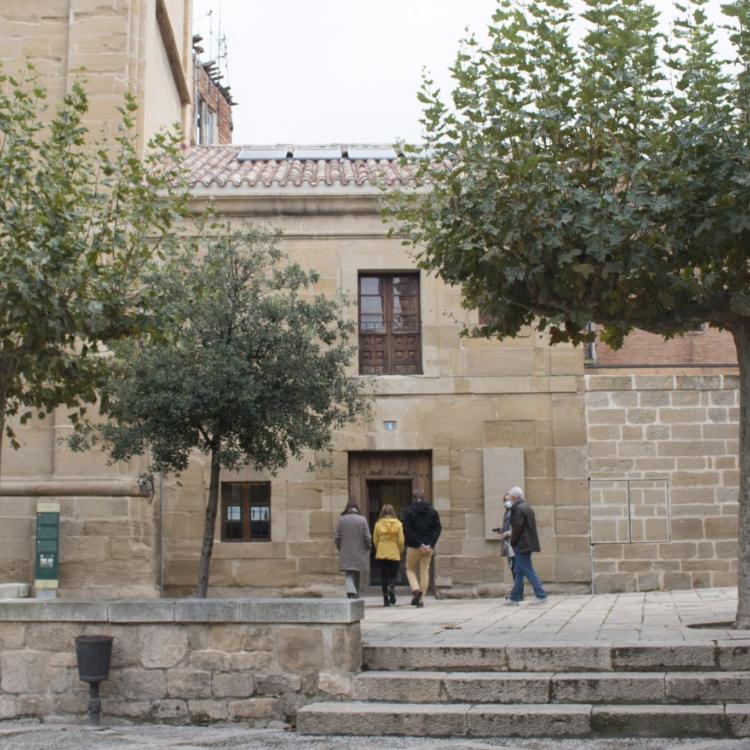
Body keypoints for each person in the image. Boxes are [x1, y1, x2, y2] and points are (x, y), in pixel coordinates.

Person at [501, 485, 547, 605]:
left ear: (514, 497)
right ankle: (515, 596)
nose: (509, 500)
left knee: (527, 569)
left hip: (522, 544)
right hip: (527, 542)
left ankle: (541, 595)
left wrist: (513, 540)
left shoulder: (518, 508)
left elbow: (518, 528)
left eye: (510, 497)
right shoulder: (526, 506)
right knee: (518, 570)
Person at [402, 489, 441, 608]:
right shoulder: (433, 511)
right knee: (424, 571)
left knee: (409, 568)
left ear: (413, 498)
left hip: (414, 546)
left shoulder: (408, 511)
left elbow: (407, 531)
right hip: (428, 547)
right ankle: (420, 600)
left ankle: (416, 590)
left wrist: (419, 544)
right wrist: (430, 544)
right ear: (424, 498)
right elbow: (437, 529)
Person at [334, 500, 371, 599]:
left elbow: (337, 536)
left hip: (346, 550)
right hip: (360, 550)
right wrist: (368, 546)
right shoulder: (362, 519)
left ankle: (351, 590)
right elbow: (367, 536)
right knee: (357, 572)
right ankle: (355, 593)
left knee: (349, 572)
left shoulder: (342, 519)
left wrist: (340, 547)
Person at [372, 503, 405, 607]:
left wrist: (379, 548)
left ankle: (385, 599)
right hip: (394, 551)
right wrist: (399, 550)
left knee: (383, 576)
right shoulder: (398, 524)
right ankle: (392, 587)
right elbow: (401, 540)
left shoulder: (377, 524)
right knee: (393, 575)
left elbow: (374, 540)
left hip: (382, 552)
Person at [499, 493, 515, 577]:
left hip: (513, 542)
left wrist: (508, 533)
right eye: (505, 500)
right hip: (508, 542)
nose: (507, 502)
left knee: (516, 567)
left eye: (508, 500)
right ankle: (517, 588)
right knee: (512, 566)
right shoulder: (507, 512)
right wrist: (502, 531)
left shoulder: (515, 511)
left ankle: (517, 588)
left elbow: (516, 527)